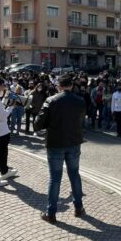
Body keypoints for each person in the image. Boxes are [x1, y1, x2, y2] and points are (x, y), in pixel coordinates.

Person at [34, 75, 86, 224]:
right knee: (74, 175)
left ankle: (51, 213)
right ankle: (78, 207)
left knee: (55, 178)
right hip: (74, 142)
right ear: (72, 86)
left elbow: (38, 124)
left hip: (55, 143)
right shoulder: (80, 101)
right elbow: (81, 119)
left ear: (59, 86)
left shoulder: (51, 100)